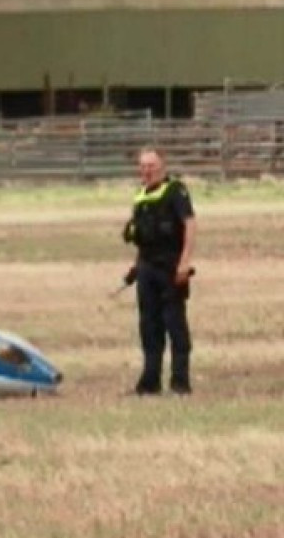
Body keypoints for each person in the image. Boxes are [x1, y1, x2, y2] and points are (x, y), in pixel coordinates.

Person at [122, 147, 197, 395]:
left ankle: (180, 384)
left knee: (175, 325)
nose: (147, 171)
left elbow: (190, 224)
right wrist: (136, 267)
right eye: (143, 166)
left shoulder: (176, 191)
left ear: (162, 166)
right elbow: (142, 237)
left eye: (151, 165)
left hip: (171, 268)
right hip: (147, 269)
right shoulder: (140, 197)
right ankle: (149, 383)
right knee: (149, 328)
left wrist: (185, 262)